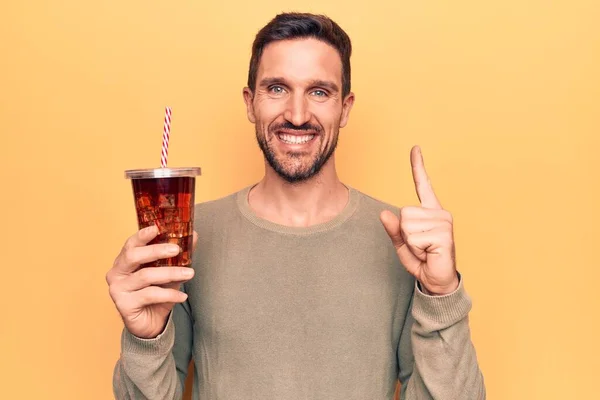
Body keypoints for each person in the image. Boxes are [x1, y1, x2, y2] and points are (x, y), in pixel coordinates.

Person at [107, 12, 486, 400]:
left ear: (346, 108)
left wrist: (442, 295)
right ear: (250, 102)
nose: (298, 115)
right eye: (276, 88)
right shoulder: (189, 236)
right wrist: (146, 338)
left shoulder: (404, 246)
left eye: (319, 92)